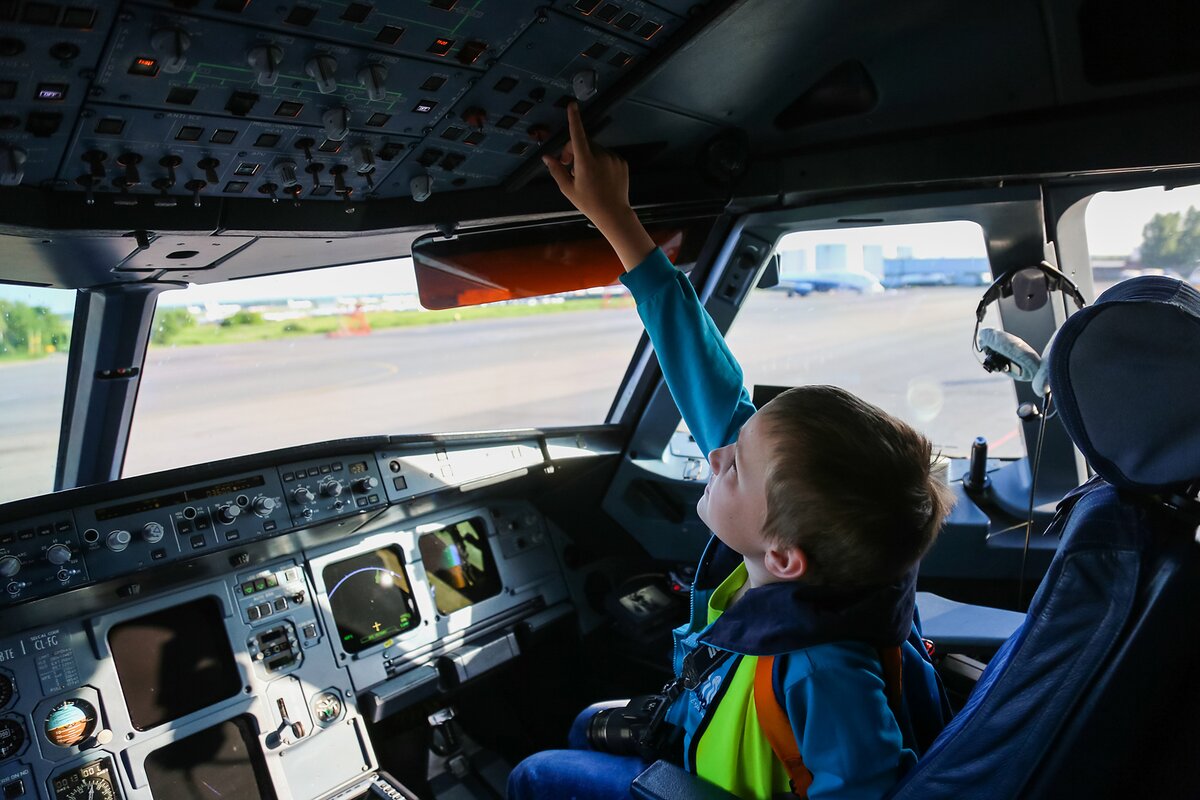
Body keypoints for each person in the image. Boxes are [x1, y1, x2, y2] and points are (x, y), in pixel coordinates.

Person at [508, 104, 953, 800]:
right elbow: (713, 386)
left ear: (785, 557)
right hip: (699, 722)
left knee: (535, 775)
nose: (715, 456)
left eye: (735, 466)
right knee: (585, 724)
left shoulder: (824, 672)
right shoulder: (822, 547)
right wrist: (615, 218)